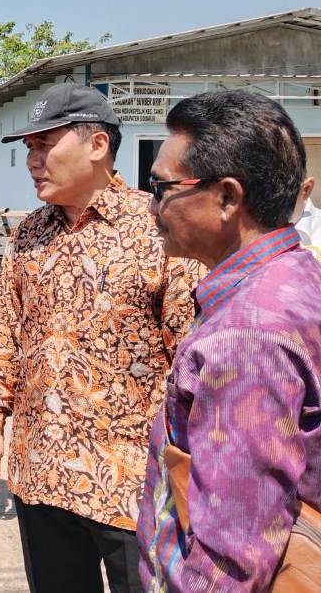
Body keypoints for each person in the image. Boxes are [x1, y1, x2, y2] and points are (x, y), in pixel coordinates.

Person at [0, 83, 200, 592]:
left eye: (44, 144)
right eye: (28, 148)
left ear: (97, 145)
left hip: (130, 486)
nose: (32, 160)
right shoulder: (29, 232)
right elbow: (5, 335)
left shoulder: (159, 227)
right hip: (40, 474)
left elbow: (189, 356)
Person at [137, 90, 321, 591]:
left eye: (161, 187)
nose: (153, 205)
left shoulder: (246, 334)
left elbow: (233, 557)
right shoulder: (294, 274)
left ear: (227, 198)